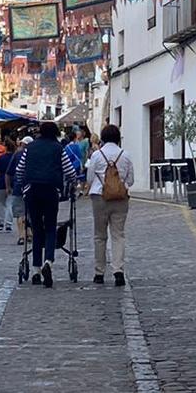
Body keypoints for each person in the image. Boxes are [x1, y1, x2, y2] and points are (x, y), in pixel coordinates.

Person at [11, 121, 80, 287]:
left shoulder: (30, 148)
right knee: (50, 228)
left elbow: (19, 171)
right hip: (51, 190)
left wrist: (23, 186)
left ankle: (36, 269)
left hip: (32, 190)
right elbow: (70, 171)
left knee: (36, 228)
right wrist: (73, 184)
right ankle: (48, 262)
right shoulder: (58, 149)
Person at [86, 123, 134, 287]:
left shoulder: (97, 155)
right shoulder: (125, 155)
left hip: (99, 197)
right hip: (120, 199)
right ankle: (118, 270)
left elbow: (90, 178)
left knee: (100, 236)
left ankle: (99, 272)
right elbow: (131, 180)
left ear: (103, 138)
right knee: (118, 235)